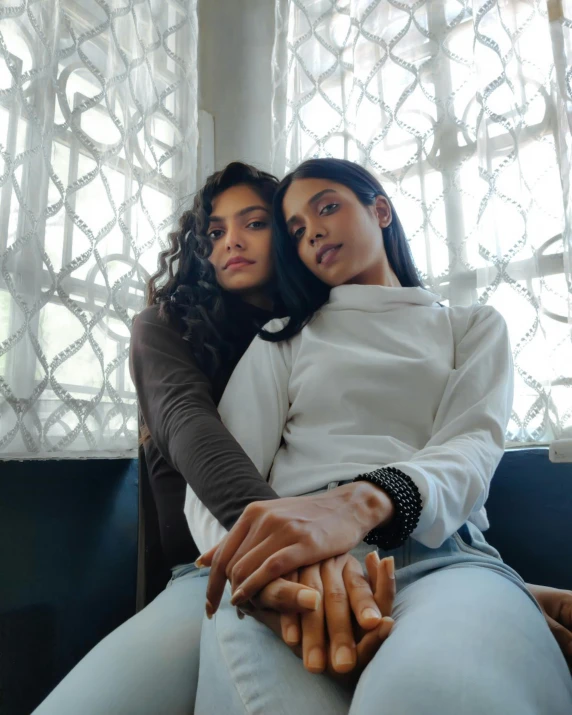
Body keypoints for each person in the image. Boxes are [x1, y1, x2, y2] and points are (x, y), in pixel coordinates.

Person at [189, 158, 572, 714]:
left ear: (381, 210)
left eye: (326, 207)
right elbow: (216, 473)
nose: (312, 231)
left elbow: (471, 448)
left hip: (442, 556)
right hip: (292, 567)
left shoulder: (471, 326)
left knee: (423, 697)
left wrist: (360, 503)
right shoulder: (284, 338)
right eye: (295, 230)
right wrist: (281, 564)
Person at [32, 163, 397, 715]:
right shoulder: (162, 327)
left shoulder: (318, 332)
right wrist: (298, 550)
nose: (231, 242)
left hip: (336, 560)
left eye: (254, 223)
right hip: (207, 573)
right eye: (215, 232)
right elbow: (188, 425)